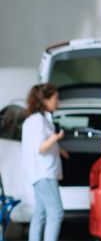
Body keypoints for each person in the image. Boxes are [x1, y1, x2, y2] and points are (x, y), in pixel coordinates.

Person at [21, 83, 69, 241]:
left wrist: (60, 149)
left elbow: (40, 144)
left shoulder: (36, 120)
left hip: (39, 174)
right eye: (55, 98)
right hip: (44, 174)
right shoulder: (38, 121)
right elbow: (40, 148)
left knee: (40, 214)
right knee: (56, 213)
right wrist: (56, 137)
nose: (58, 102)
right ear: (45, 100)